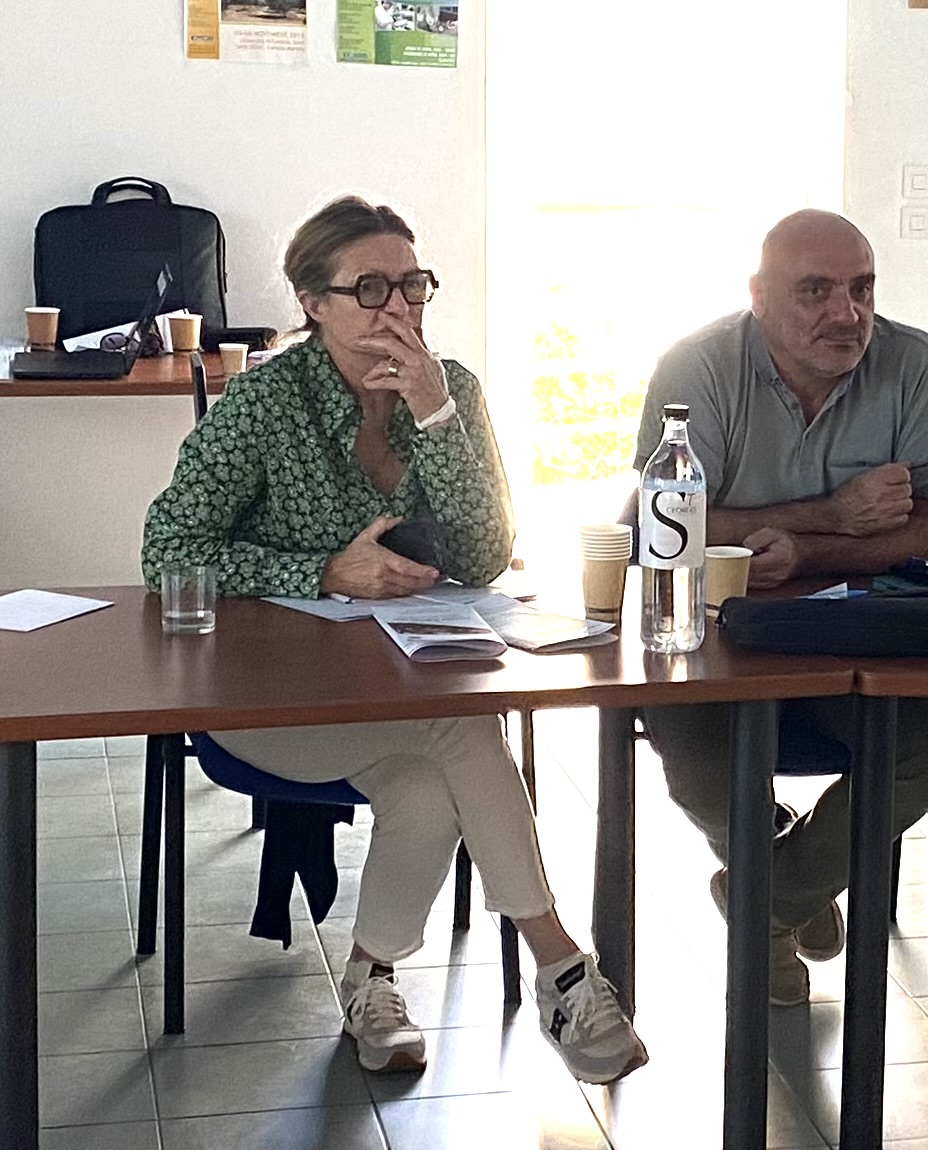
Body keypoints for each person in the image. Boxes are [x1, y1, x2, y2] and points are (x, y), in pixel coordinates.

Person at [142, 194, 646, 1084]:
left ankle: (371, 982)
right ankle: (564, 969)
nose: (398, 308)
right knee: (461, 727)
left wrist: (437, 414)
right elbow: (167, 548)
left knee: (423, 789)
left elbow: (483, 557)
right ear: (313, 302)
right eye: (369, 288)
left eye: (413, 285)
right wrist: (325, 572)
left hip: (399, 683)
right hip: (262, 699)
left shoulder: (450, 389)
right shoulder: (265, 402)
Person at [630, 209, 928, 1006]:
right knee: (703, 763)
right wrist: (835, 514)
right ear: (758, 295)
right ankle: (792, 890)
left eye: (862, 289)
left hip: (853, 638)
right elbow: (662, 523)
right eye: (815, 291)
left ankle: (767, 901)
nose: (846, 313)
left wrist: (809, 551)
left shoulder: (915, 363)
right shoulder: (696, 368)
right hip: (714, 637)